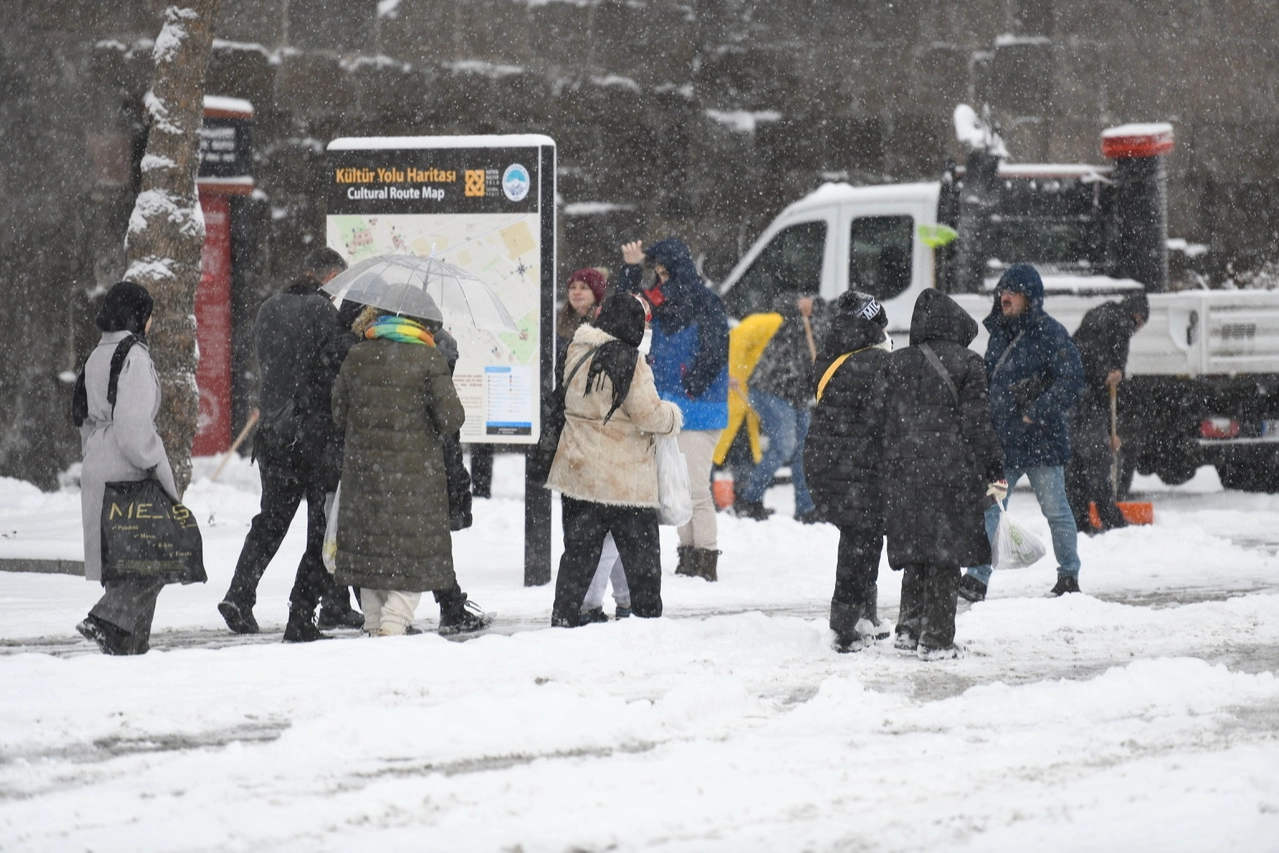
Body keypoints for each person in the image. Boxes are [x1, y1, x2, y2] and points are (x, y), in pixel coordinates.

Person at [218, 247, 363, 642]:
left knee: (271, 521)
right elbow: (331, 370)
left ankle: (239, 594)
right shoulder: (324, 313)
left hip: (273, 434)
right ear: (328, 275)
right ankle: (313, 610)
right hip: (313, 437)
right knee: (322, 526)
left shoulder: (268, 309)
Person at [332, 299, 488, 636]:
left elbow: (338, 413)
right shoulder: (428, 358)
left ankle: (374, 624)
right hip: (413, 477)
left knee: (370, 550)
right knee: (411, 551)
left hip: (364, 475)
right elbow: (451, 419)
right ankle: (393, 624)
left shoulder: (358, 354)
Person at [883, 289, 1006, 660]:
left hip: (904, 471)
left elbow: (883, 421)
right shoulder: (969, 363)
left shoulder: (895, 363)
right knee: (945, 553)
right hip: (950, 471)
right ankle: (936, 638)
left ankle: (908, 629)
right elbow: (978, 425)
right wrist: (994, 467)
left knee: (917, 549)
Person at [546, 295, 682, 627]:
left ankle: (565, 615)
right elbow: (648, 415)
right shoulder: (630, 361)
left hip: (578, 471)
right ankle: (647, 619)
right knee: (641, 558)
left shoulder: (576, 349)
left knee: (578, 553)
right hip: (623, 480)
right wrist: (672, 417)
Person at [74, 281, 194, 655]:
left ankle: (126, 652)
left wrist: (96, 455)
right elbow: (134, 426)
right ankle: (107, 618)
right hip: (128, 470)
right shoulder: (135, 357)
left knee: (121, 564)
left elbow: (85, 419)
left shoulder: (97, 354)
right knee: (155, 558)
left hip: (98, 462)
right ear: (139, 316)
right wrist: (156, 464)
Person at [958, 264, 1085, 603]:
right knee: (990, 508)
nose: (1004, 297)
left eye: (1011, 291)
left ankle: (1069, 575)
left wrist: (1034, 412)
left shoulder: (1050, 333)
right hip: (1005, 443)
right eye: (1002, 291)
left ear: (1030, 297)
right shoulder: (1000, 334)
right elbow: (989, 381)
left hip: (1042, 444)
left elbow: (1072, 380)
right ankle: (977, 578)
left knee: (1056, 510)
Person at [616, 239, 729, 581]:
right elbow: (624, 310)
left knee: (694, 488)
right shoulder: (667, 302)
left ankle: (705, 557)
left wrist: (692, 384)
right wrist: (632, 268)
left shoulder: (703, 303)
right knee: (679, 486)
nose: (660, 278)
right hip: (673, 407)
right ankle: (690, 555)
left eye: (664, 271)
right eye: (657, 272)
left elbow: (714, 350)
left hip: (699, 409)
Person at [802, 291, 894, 652]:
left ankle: (863, 616)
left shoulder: (834, 355)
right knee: (861, 540)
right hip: (853, 467)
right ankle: (845, 626)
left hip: (831, 462)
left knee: (863, 536)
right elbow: (880, 418)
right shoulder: (871, 362)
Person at [719, 291, 827, 522]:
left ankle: (806, 508)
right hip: (770, 388)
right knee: (784, 445)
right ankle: (749, 499)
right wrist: (802, 305)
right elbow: (781, 302)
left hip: (799, 395)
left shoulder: (833, 330)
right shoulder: (798, 319)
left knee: (804, 451)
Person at [1066, 291, 1149, 533]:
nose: (1137, 330)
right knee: (1098, 458)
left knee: (1076, 461)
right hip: (1088, 395)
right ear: (1137, 316)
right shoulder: (1123, 324)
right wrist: (1109, 372)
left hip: (1072, 391)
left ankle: (1080, 519)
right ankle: (1109, 518)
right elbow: (1109, 367)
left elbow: (1080, 348)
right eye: (1141, 325)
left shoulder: (1098, 313)